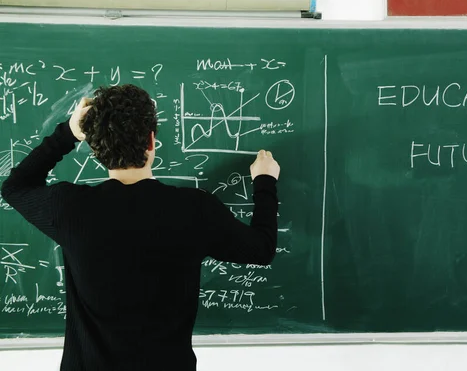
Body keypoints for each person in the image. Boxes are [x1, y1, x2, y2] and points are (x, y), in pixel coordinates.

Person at [0, 84, 280, 371]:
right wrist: (265, 182)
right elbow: (262, 249)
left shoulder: (69, 208)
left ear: (95, 148)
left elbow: (14, 187)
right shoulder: (195, 209)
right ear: (151, 140)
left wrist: (68, 133)